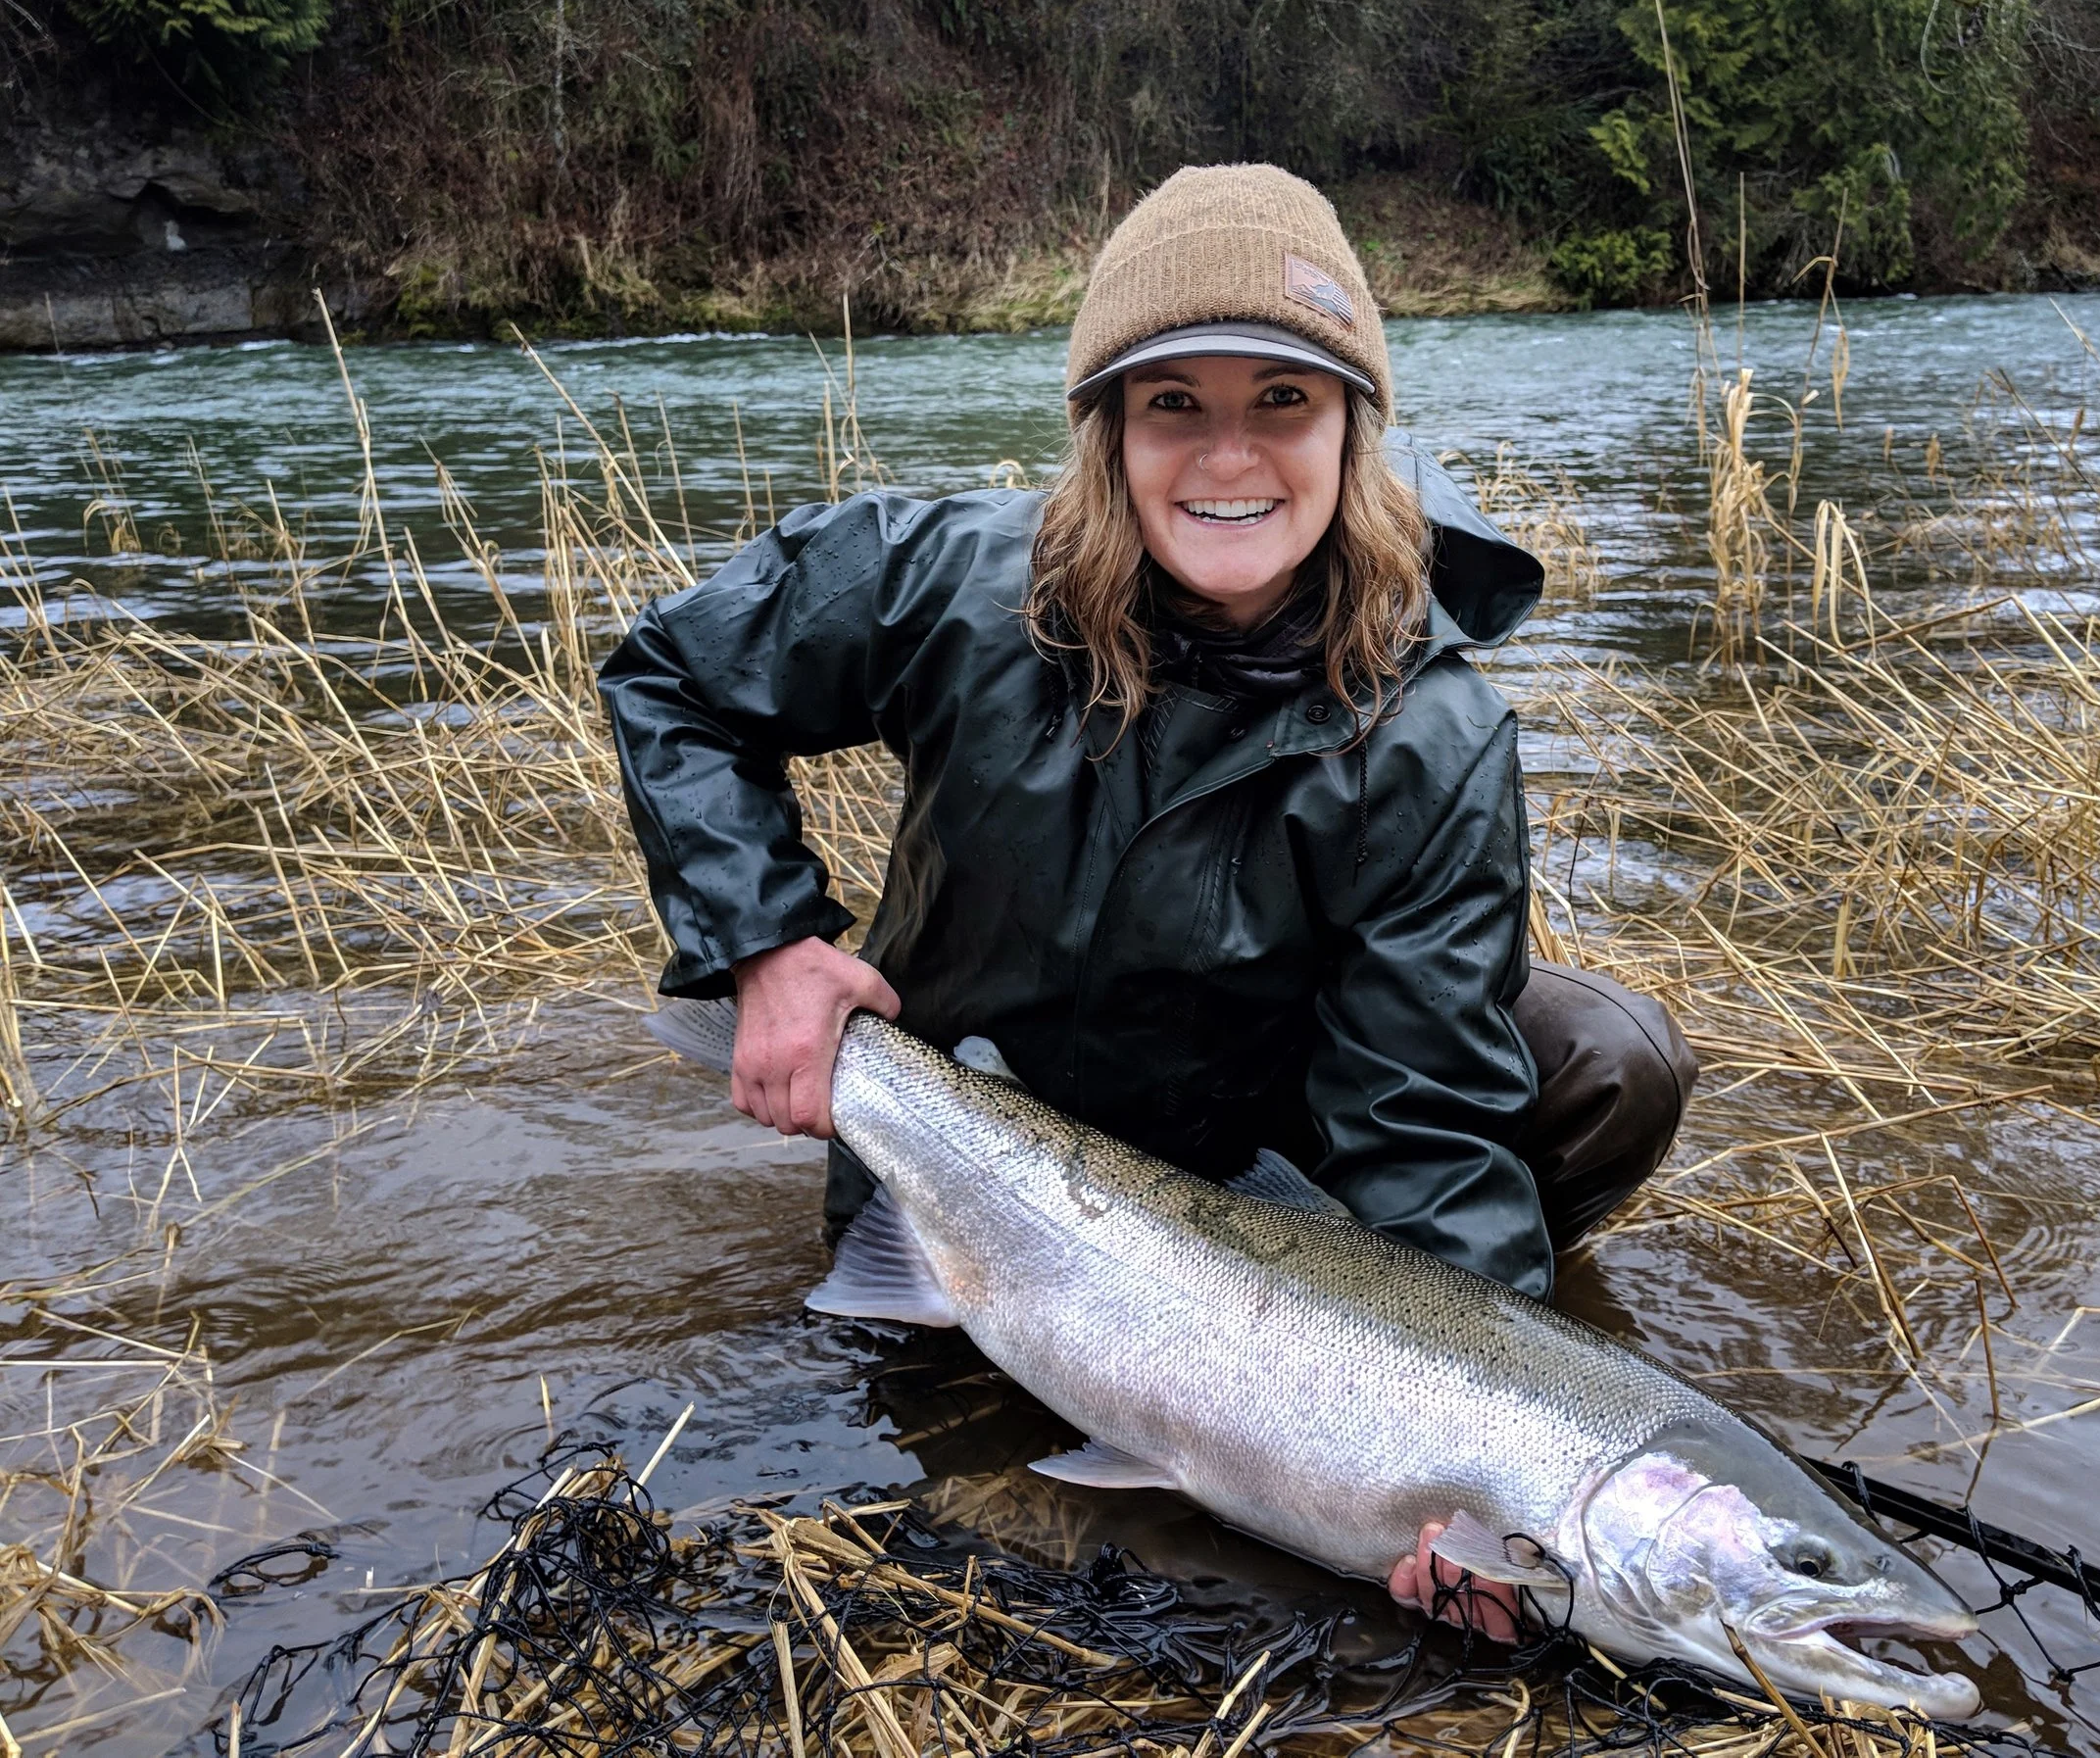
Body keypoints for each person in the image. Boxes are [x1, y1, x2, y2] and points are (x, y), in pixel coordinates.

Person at [598, 163, 1698, 1641]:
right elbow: (673, 675)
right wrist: (768, 946)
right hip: (967, 1142)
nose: (1227, 455)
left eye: (1284, 402)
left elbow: (1426, 1107)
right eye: (1172, 402)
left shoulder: (1433, 734)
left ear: (1355, 428)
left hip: (1259, 1168)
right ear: (1108, 429)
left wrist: (1464, 1441)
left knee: (1607, 1052)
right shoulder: (955, 581)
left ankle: (1332, 1346)